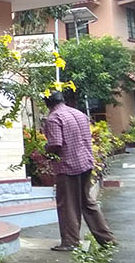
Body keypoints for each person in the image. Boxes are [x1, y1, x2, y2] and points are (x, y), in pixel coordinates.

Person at [43, 91, 116, 251]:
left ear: (48, 103)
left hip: (68, 167)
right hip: (86, 163)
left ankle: (70, 242)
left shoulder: (54, 118)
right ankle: (107, 239)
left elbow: (56, 144)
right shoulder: (79, 114)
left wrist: (45, 150)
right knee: (87, 202)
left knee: (67, 205)